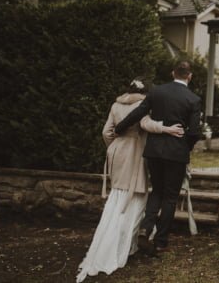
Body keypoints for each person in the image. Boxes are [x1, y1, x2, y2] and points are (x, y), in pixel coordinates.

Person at [76, 78, 184, 282]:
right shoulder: (141, 104)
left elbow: (106, 132)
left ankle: (122, 244)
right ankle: (122, 247)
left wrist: (115, 146)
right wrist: (166, 128)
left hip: (117, 152)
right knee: (135, 198)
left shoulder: (116, 105)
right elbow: (145, 123)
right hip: (135, 153)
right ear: (144, 92)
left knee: (118, 195)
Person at [114, 61, 201, 256]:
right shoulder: (193, 99)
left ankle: (146, 228)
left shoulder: (157, 92)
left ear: (172, 73)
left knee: (157, 191)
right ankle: (161, 242)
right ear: (190, 76)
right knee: (170, 197)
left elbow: (138, 113)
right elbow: (195, 132)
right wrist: (185, 146)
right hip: (176, 154)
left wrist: (119, 128)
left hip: (154, 151)